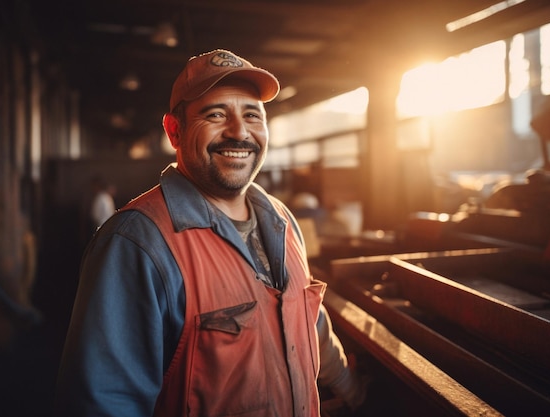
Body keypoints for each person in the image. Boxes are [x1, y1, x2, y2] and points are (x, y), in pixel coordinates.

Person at [55, 49, 368, 417]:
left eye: (252, 114)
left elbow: (306, 319)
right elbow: (104, 404)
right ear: (175, 131)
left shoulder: (282, 221)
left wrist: (350, 388)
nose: (239, 131)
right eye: (216, 114)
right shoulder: (137, 244)